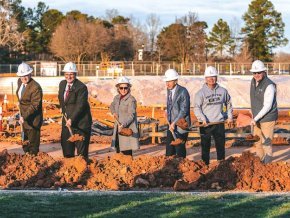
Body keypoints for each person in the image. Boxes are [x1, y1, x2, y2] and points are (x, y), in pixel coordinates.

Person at [194, 66, 233, 165]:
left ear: (217, 77)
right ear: (205, 78)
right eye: (209, 77)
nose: (211, 79)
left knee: (220, 147)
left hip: (219, 123)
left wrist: (229, 117)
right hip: (205, 124)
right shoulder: (200, 93)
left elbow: (228, 104)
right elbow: (197, 108)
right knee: (205, 147)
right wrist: (202, 119)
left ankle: (221, 166)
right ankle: (205, 166)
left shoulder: (223, 91)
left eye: (213, 77)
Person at [58, 62, 92, 160]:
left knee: (81, 153)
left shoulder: (81, 87)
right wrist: (62, 108)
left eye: (71, 74)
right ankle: (69, 168)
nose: (69, 76)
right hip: (67, 120)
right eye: (67, 74)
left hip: (81, 122)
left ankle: (83, 170)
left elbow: (80, 106)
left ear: (75, 74)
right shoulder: (62, 84)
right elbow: (61, 98)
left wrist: (71, 119)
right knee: (66, 147)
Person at [250, 60, 278, 163]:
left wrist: (255, 118)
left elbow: (267, 106)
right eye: (254, 73)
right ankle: (259, 163)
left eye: (259, 72)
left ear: (264, 72)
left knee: (266, 142)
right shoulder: (253, 82)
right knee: (258, 141)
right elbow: (254, 99)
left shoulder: (269, 85)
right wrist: (252, 113)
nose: (256, 75)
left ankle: (267, 165)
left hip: (267, 118)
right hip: (256, 117)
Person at [16, 62, 43, 155]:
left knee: (33, 146)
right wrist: (19, 101)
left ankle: (34, 162)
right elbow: (21, 96)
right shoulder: (20, 81)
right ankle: (27, 161)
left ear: (30, 74)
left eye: (26, 75)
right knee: (25, 143)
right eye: (21, 76)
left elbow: (35, 105)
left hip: (33, 120)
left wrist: (24, 116)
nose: (23, 78)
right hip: (23, 118)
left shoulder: (36, 87)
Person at [164, 69, 190, 158]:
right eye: (166, 81)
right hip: (171, 124)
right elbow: (171, 105)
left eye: (170, 81)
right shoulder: (169, 90)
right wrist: (167, 111)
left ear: (175, 81)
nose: (168, 83)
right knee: (169, 150)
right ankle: (169, 169)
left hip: (181, 124)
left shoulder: (183, 91)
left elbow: (184, 110)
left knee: (180, 150)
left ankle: (181, 168)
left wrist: (174, 122)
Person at [110, 77, 139, 156]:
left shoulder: (131, 100)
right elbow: (111, 106)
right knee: (119, 150)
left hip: (126, 129)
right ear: (118, 88)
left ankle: (127, 167)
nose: (123, 90)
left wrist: (124, 124)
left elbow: (131, 115)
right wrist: (113, 113)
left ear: (129, 88)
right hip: (118, 129)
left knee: (126, 151)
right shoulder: (116, 98)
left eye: (125, 88)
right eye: (121, 88)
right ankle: (120, 168)